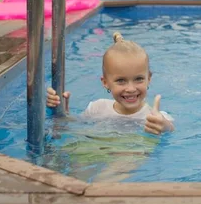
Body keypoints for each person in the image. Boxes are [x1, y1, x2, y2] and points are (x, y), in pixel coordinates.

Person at [46, 32, 175, 135]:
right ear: (105, 83)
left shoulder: (154, 117)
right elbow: (71, 128)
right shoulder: (97, 108)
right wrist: (60, 111)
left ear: (149, 78)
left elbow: (169, 127)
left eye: (139, 79)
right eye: (121, 81)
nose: (130, 89)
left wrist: (163, 126)